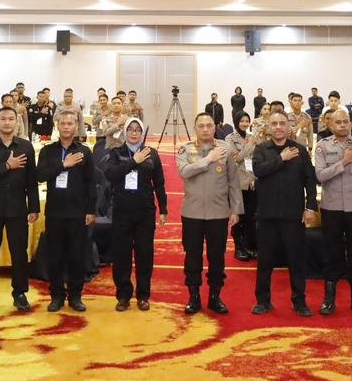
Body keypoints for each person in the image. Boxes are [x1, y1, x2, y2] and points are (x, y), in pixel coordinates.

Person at [251, 110, 318, 317]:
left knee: (296, 261)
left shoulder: (300, 150)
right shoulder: (261, 149)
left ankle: (299, 301)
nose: (278, 127)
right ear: (268, 127)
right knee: (265, 262)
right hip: (267, 215)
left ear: (288, 126)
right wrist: (281, 158)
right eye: (274, 124)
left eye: (282, 123)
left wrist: (310, 207)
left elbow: (310, 180)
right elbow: (259, 170)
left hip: (292, 216)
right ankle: (263, 301)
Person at [0, 106, 39, 313]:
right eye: (3, 119)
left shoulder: (26, 146)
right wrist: (6, 166)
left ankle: (20, 293)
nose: (7, 122)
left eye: (11, 119)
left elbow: (32, 180)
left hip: (18, 208)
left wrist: (34, 207)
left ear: (17, 122)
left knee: (19, 253)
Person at [313, 108, 352, 316]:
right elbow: (320, 175)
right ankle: (329, 300)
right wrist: (344, 162)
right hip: (331, 208)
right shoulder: (322, 146)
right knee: (332, 253)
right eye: (338, 122)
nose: (342, 125)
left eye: (345, 121)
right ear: (330, 125)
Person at [177, 112, 242, 315]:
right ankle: (194, 296)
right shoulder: (185, 149)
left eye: (209, 125)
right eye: (201, 126)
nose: (205, 129)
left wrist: (236, 209)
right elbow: (184, 172)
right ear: (195, 128)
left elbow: (233, 181)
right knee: (192, 256)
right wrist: (208, 159)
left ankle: (215, 296)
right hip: (192, 213)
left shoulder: (226, 149)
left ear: (215, 127)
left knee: (217, 257)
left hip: (218, 213)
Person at [102, 117, 167, 311]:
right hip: (121, 211)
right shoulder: (116, 152)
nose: (134, 132)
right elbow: (111, 175)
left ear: (142, 132)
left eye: (137, 129)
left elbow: (159, 183)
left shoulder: (151, 154)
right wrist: (133, 161)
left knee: (144, 254)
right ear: (124, 131)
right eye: (130, 129)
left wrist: (163, 209)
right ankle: (123, 295)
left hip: (145, 211)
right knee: (121, 255)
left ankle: (143, 295)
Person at [38, 109, 96, 313]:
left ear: (76, 126)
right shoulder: (47, 151)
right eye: (62, 123)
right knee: (55, 256)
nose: (66, 127)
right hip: (55, 212)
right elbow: (40, 175)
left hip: (78, 212)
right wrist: (64, 164)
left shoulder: (84, 152)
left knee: (76, 256)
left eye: (70, 123)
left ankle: (75, 296)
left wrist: (91, 210)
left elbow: (91, 183)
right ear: (57, 125)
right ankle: (56, 296)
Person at [225, 112, 257, 261]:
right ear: (236, 122)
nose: (244, 123)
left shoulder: (252, 136)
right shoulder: (230, 139)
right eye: (242, 121)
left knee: (250, 217)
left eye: (247, 121)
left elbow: (256, 159)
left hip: (252, 182)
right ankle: (239, 248)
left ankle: (249, 247)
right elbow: (236, 159)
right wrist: (250, 145)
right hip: (238, 183)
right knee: (238, 217)